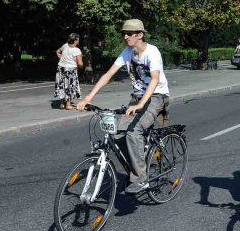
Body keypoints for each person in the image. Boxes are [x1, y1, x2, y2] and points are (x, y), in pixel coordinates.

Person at [76, 19, 170, 194]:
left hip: (156, 97)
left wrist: (141, 104)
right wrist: (88, 97)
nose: (125, 36)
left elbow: (155, 79)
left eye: (129, 33)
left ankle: (141, 179)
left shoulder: (152, 52)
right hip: (137, 98)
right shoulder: (127, 52)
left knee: (134, 131)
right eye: (123, 34)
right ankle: (137, 167)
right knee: (117, 132)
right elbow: (108, 75)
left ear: (140, 34)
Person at [55, 33, 84, 110]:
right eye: (78, 39)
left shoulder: (65, 45)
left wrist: (62, 59)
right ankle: (68, 104)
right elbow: (80, 63)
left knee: (62, 85)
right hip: (70, 69)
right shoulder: (77, 50)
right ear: (75, 41)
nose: (79, 41)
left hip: (61, 68)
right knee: (70, 86)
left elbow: (57, 51)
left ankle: (62, 104)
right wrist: (80, 67)